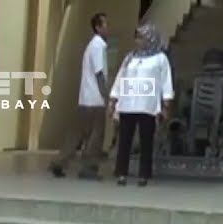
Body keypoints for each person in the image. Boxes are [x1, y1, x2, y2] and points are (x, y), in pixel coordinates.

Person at [110, 23, 174, 187]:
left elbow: (166, 81)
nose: (138, 41)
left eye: (141, 37)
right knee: (124, 140)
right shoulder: (130, 57)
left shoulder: (160, 58)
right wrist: (114, 99)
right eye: (137, 38)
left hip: (147, 105)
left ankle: (144, 174)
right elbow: (120, 77)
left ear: (150, 38)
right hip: (128, 104)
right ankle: (121, 173)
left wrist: (166, 103)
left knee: (146, 141)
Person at [50, 13, 109, 179]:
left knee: (76, 134)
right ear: (98, 27)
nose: (107, 28)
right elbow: (99, 73)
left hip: (85, 99)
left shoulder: (90, 46)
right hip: (95, 100)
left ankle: (59, 162)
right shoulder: (98, 46)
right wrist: (106, 95)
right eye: (105, 25)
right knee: (95, 136)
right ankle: (89, 169)